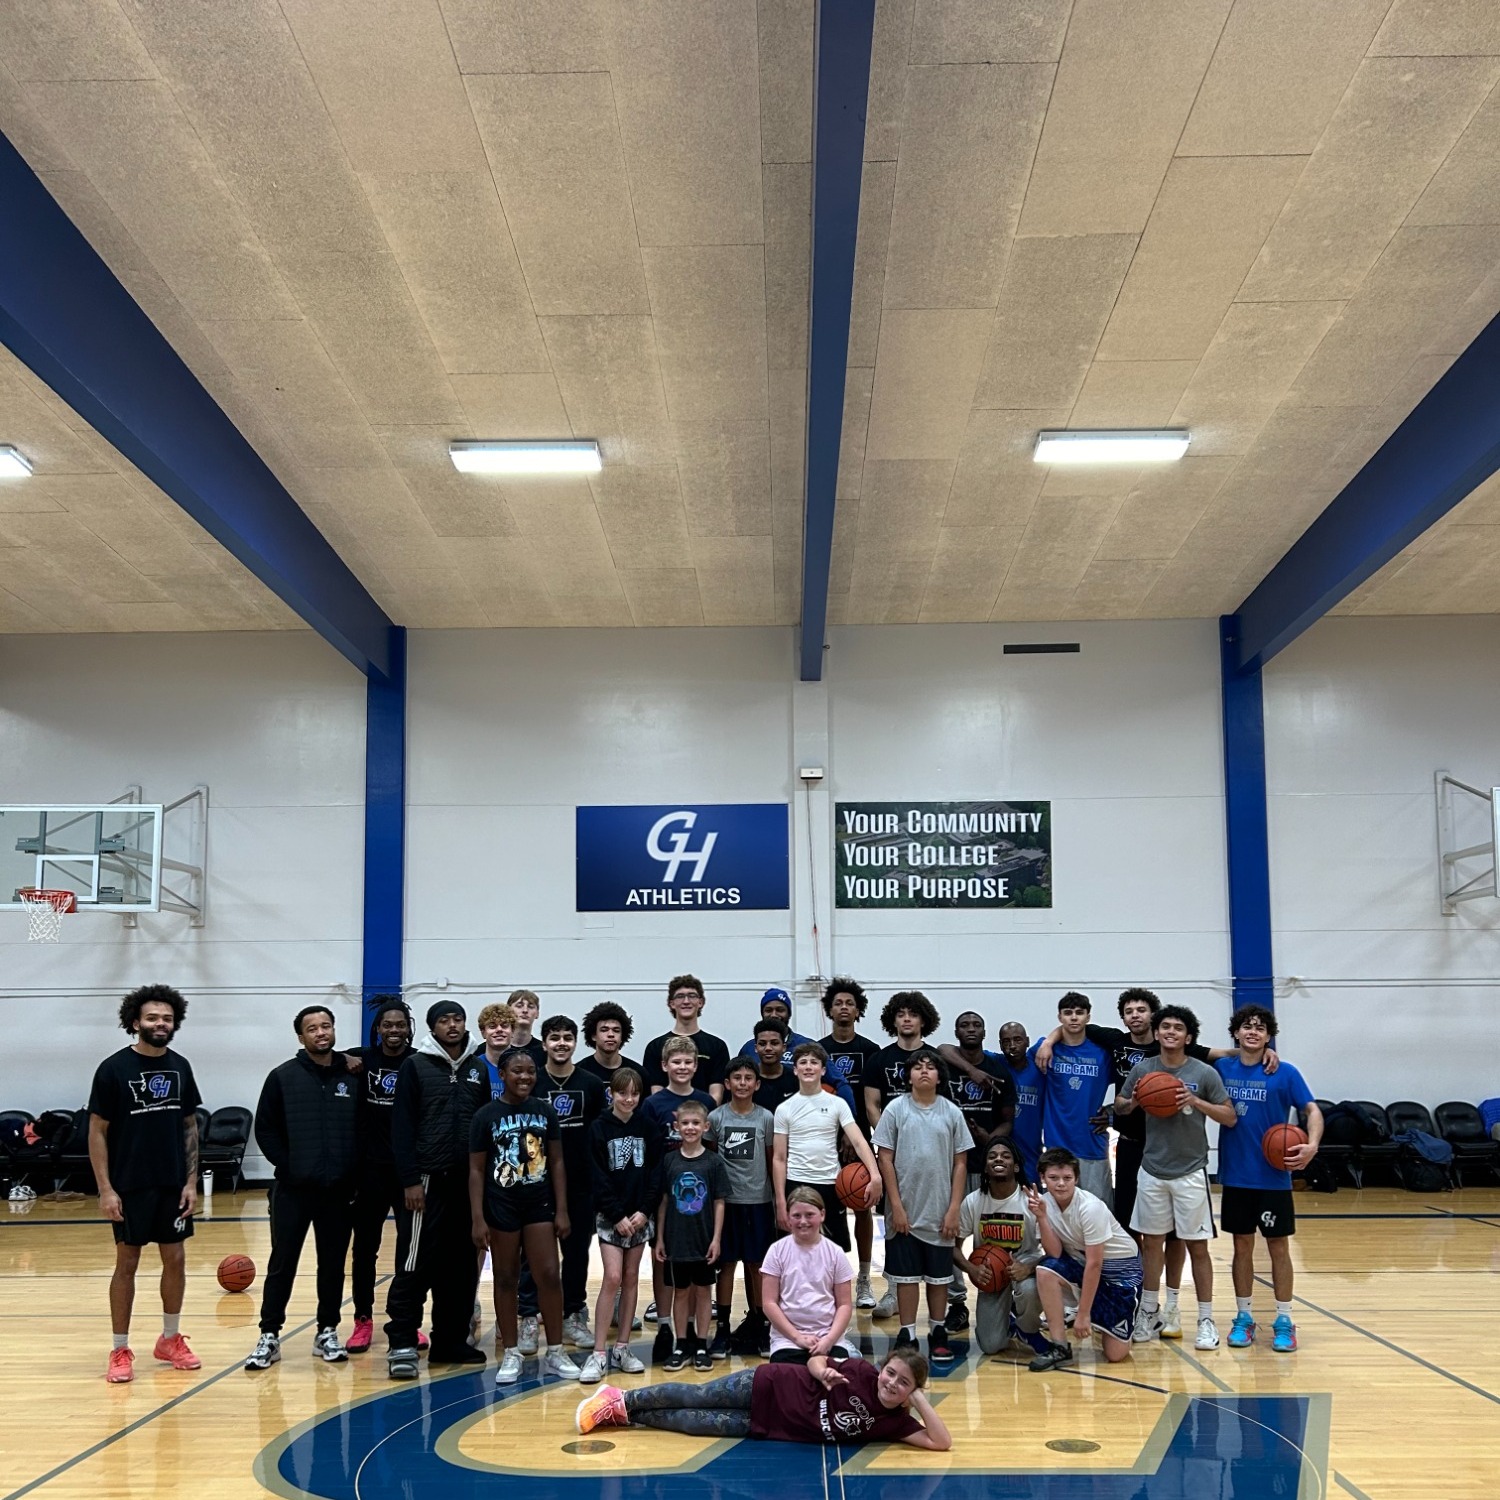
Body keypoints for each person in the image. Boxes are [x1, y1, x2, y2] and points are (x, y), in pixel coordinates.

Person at [87, 984, 202, 1384]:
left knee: (176, 1259)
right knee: (128, 1263)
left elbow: (189, 1126)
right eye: (152, 1017)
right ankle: (120, 1347)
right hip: (130, 1184)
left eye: (167, 1018)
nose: (160, 1024)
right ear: (135, 1021)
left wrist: (191, 1181)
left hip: (171, 1184)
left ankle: (170, 1340)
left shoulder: (181, 1066)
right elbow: (97, 1131)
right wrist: (105, 1189)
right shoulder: (113, 1069)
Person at [1114, 1005, 1238, 1352]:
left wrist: (1195, 1100)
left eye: (1177, 1028)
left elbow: (1229, 1117)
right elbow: (1120, 1105)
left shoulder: (1204, 1072)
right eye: (1165, 1027)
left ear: (1189, 1037)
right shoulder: (1144, 1069)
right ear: (1156, 1033)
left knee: (1197, 1247)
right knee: (1150, 1244)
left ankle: (1205, 1318)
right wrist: (1136, 1100)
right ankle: (1149, 1311)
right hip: (1152, 1168)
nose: (1170, 1032)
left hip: (1191, 1171)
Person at [245, 1006, 360, 1370]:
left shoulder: (354, 1075)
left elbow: (365, 1129)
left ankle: (327, 1330)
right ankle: (269, 1334)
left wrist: (352, 1172)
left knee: (332, 1265)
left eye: (326, 1026)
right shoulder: (282, 1077)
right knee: (282, 1263)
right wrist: (289, 1166)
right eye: (312, 1028)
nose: (320, 1033)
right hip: (293, 1191)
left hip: (339, 1191)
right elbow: (265, 1128)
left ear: (334, 1030)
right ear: (301, 1037)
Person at [383, 1000, 488, 1379]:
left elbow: (483, 1128)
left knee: (460, 1267)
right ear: (431, 1028)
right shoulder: (416, 1066)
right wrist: (409, 1178)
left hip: (466, 1183)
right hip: (425, 1181)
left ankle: (449, 1340)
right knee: (414, 1264)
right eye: (444, 1020)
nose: (453, 1025)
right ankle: (402, 1343)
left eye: (457, 1019)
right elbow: (402, 1126)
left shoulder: (477, 1068)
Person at [575, 1350, 950, 1451]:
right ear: (881, 1369)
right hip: (771, 1386)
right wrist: (821, 1373)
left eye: (903, 1384)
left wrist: (918, 1398)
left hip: (773, 1426)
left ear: (909, 1395)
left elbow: (941, 1442)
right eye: (891, 1373)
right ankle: (619, 1396)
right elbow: (816, 1359)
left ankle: (625, 1417)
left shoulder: (898, 1422)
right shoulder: (860, 1371)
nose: (891, 1383)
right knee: (700, 1395)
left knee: (693, 1423)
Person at [1214, 1004, 1322, 1353]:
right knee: (1241, 1247)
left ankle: (1284, 1320)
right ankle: (1244, 1318)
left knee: (1278, 1248)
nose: (1253, 1032)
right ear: (1236, 1032)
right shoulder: (1221, 1068)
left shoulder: (1285, 1072)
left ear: (1269, 1035)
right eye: (1247, 1026)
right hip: (1236, 1176)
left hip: (1274, 1177)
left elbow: (1312, 1110)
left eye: (1260, 1028)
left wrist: (1312, 1145)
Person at [469, 1050, 581, 1384]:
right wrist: (477, 1217)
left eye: (531, 1071)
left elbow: (558, 1161)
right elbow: (476, 1169)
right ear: (502, 1074)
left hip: (539, 1204)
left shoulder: (545, 1111)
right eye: (517, 1071)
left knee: (548, 1273)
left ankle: (557, 1351)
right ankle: (512, 1353)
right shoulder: (486, 1115)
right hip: (501, 1203)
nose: (525, 1077)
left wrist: (562, 1209)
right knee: (505, 1277)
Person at [871, 1046, 971, 1364]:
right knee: (907, 1277)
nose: (924, 1070)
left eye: (930, 1066)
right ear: (909, 1075)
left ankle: (938, 1330)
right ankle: (908, 1333)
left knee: (940, 1278)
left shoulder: (951, 1113)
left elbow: (960, 1163)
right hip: (905, 1211)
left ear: (940, 1076)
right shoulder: (895, 1110)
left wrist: (954, 1207)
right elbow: (884, 1158)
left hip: (940, 1209)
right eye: (917, 1067)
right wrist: (896, 1205)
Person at [1026, 1147, 1142, 1371]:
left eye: (1067, 1178)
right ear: (1042, 1178)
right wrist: (1041, 1217)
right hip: (1085, 1265)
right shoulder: (1042, 1203)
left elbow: (1095, 1263)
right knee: (1046, 1269)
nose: (1061, 1184)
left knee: (1115, 1355)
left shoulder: (1091, 1208)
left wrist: (1083, 1314)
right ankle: (1060, 1346)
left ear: (1076, 1179)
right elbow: (1056, 1253)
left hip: (1120, 1274)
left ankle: (1106, 1318)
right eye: (1054, 1178)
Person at [345, 998, 418, 1355]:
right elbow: (324, 1056)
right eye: (387, 1025)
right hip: (368, 1171)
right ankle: (362, 1318)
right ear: (378, 1029)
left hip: (407, 1173)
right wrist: (345, 1059)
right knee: (365, 1250)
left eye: (399, 1024)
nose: (393, 1030)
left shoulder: (418, 1063)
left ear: (408, 1027)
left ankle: (405, 1319)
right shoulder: (361, 1060)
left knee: (409, 1250)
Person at [935, 1010, 1016, 1330]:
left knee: (995, 1232)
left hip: (988, 1165)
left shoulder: (998, 1069)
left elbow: (1008, 1119)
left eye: (976, 1025)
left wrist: (989, 1138)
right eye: (965, 1025)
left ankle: (1005, 1295)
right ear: (956, 1031)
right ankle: (957, 1303)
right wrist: (971, 1072)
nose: (971, 1029)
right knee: (950, 1233)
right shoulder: (945, 1064)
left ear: (985, 1032)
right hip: (951, 1163)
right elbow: (940, 1048)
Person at [529, 1015, 606, 1350]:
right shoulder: (532, 1080)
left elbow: (599, 1135)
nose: (561, 1043)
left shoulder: (589, 1083)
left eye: (567, 1037)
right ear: (544, 1043)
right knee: (532, 1255)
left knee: (576, 1255)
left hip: (580, 1183)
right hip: (536, 1183)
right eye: (554, 1037)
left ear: (576, 1043)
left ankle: (574, 1313)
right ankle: (529, 1315)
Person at [581, 1067, 661, 1383]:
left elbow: (656, 1174)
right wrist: (616, 1215)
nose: (628, 1099)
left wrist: (644, 1211)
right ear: (611, 1094)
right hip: (610, 1217)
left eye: (634, 1093)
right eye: (622, 1093)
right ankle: (599, 1352)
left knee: (630, 1278)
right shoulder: (599, 1128)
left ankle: (622, 1347)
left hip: (640, 1216)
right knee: (612, 1277)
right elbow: (597, 1176)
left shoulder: (649, 1127)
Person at [639, 1035, 717, 1355]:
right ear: (664, 1066)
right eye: (676, 1062)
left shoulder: (706, 1103)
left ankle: (693, 1334)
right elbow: (646, 1148)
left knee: (696, 1262)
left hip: (696, 1196)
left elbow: (712, 1153)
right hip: (663, 1194)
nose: (682, 1067)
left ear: (696, 1066)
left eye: (688, 1062)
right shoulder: (652, 1104)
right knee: (662, 1260)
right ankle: (665, 1325)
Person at [773, 1042, 881, 1253]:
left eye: (814, 1062)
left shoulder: (837, 1104)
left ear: (823, 1070)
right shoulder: (784, 1108)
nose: (808, 1067)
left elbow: (859, 1142)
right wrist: (779, 1200)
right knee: (797, 1254)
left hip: (831, 1184)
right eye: (803, 1062)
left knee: (833, 1254)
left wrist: (875, 1175)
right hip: (797, 1184)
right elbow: (779, 1157)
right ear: (795, 1069)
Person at [817, 976, 882, 1308]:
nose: (844, 1008)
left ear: (858, 1010)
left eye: (850, 1003)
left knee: (862, 1206)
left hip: (858, 1139)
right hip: (824, 1139)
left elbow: (872, 1102)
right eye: (838, 1003)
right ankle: (832, 1277)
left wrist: (855, 1136)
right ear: (830, 1009)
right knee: (828, 1210)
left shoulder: (871, 1051)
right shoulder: (819, 1050)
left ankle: (864, 1278)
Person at [708, 1058, 777, 1357]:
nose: (743, 1083)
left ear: (757, 1084)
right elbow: (710, 1159)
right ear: (727, 1084)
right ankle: (722, 1328)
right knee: (726, 1266)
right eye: (737, 1078)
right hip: (727, 1204)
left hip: (759, 1202)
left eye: (749, 1078)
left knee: (757, 1266)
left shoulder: (766, 1118)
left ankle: (762, 1325)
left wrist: (778, 1200)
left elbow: (773, 1158)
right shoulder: (716, 1118)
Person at [953, 1139, 1046, 1357]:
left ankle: (1027, 1328)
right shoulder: (973, 1201)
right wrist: (971, 1269)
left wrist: (1029, 1267)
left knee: (1031, 1289)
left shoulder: (1031, 1201)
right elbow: (953, 1247)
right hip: (992, 1276)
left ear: (1015, 1166)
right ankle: (1009, 1321)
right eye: (992, 1156)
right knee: (991, 1345)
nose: (998, 1159)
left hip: (1025, 1272)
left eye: (1005, 1155)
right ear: (985, 1166)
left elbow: (1054, 1253)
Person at [655, 1100, 729, 1371]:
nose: (690, 1128)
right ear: (676, 1127)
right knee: (681, 1293)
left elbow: (720, 1201)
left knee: (702, 1292)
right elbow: (663, 1201)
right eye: (685, 1123)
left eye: (695, 1123)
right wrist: (661, 1238)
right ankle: (681, 1344)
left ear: (705, 1127)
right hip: (677, 1240)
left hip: (703, 1239)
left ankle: (701, 1344)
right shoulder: (669, 1160)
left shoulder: (713, 1162)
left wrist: (716, 1238)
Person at [1031, 993, 1113, 1205]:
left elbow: (1130, 1082)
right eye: (1068, 1013)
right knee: (1058, 1217)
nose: (1074, 1018)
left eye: (1079, 1013)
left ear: (1088, 1017)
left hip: (1092, 1144)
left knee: (1097, 1213)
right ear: (1060, 1017)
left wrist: (1112, 1113)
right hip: (1057, 1146)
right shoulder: (1045, 1049)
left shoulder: (1103, 1053)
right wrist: (1049, 1041)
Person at [761, 1186, 855, 1361]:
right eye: (797, 1216)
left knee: (836, 1380)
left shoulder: (835, 1253)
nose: (803, 1221)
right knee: (790, 1380)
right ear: (788, 1218)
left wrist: (829, 1340)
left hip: (829, 1338)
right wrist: (797, 1337)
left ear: (822, 1215)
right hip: (787, 1340)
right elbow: (769, 1303)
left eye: (809, 1215)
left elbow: (844, 1305)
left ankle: (847, 1349)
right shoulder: (776, 1251)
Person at [641, 974, 730, 1103]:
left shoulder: (717, 1046)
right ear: (671, 1003)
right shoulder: (655, 1047)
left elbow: (716, 1097)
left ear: (701, 1002)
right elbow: (656, 1096)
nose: (686, 1001)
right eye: (680, 996)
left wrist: (694, 1120)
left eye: (692, 996)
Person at [996, 1021, 1044, 1184]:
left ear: (1027, 1041)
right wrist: (972, 1070)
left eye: (1017, 1040)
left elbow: (1049, 1038)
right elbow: (945, 1050)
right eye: (1006, 1042)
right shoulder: (996, 1063)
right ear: (1000, 1045)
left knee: (1032, 1203)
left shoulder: (1039, 1066)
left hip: (1031, 1152)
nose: (1012, 1046)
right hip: (1000, 1151)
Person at [576, 1001, 641, 1095]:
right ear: (593, 1035)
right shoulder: (579, 1072)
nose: (610, 1034)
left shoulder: (638, 1072)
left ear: (622, 1036)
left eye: (616, 1030)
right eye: (604, 1030)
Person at [737, 987, 814, 1063]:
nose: (774, 1015)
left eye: (780, 1010)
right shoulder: (748, 1049)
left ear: (789, 1014)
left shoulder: (808, 1046)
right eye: (768, 1010)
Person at [750, 1017, 799, 1112]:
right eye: (762, 1044)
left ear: (784, 1047)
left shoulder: (796, 1079)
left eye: (774, 1043)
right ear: (756, 1048)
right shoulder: (747, 1080)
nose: (768, 1048)